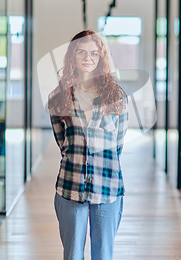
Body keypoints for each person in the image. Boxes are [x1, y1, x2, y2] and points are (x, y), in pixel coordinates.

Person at [48, 30, 129, 260]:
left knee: (103, 254)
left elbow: (117, 144)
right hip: (70, 185)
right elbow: (63, 142)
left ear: (101, 57)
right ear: (72, 56)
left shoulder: (115, 96)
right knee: (72, 255)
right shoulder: (59, 97)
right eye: (82, 52)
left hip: (108, 186)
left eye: (94, 53)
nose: (88, 57)